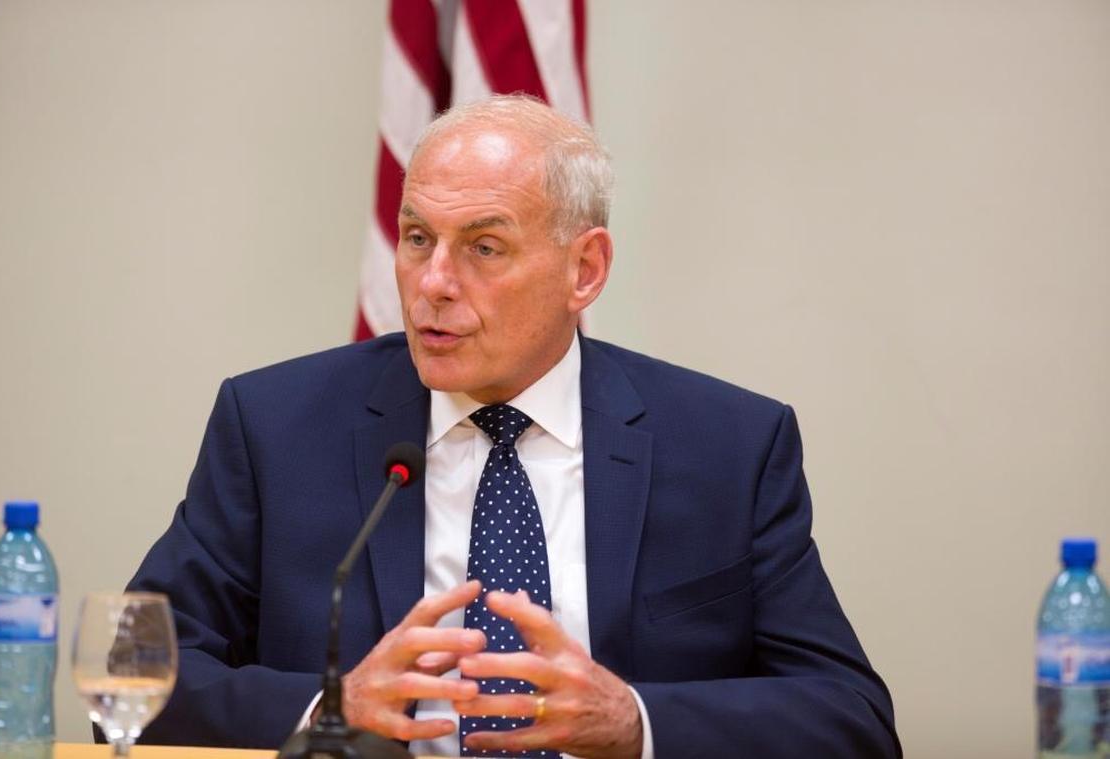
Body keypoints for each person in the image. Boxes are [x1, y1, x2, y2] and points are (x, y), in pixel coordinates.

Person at [127, 95, 900, 758]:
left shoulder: (729, 444)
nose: (432, 283)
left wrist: (633, 723)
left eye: (484, 247)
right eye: (418, 237)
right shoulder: (277, 427)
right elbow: (132, 677)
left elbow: (852, 719)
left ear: (584, 270)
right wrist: (331, 707)